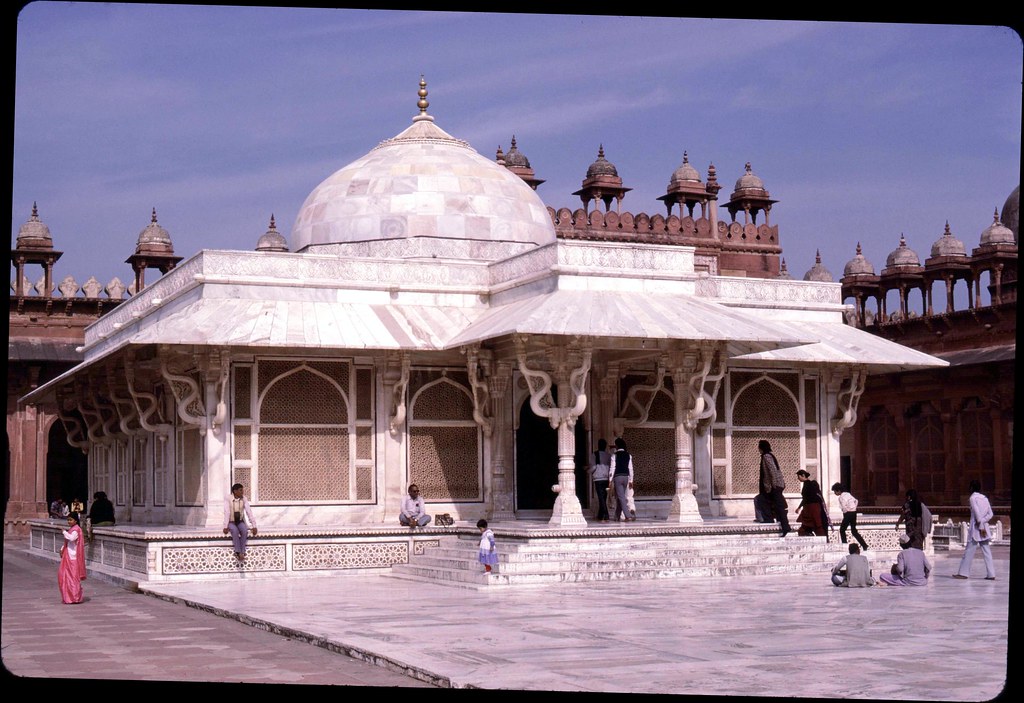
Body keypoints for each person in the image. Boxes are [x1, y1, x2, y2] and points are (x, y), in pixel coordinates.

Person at [953, 480, 996, 580]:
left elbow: (977, 514)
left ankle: (963, 573)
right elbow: (991, 514)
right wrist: (983, 521)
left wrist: (980, 522)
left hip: (976, 529)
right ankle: (991, 574)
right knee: (987, 551)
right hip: (984, 529)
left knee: (969, 551)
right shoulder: (984, 498)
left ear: (971, 488)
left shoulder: (973, 498)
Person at [758, 440, 791, 537]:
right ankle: (778, 521)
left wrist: (773, 485)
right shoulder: (770, 456)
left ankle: (784, 526)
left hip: (774, 486)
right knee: (776, 505)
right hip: (776, 485)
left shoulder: (766, 456)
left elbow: (772, 470)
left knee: (777, 506)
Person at [223, 483, 258, 561]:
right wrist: (225, 526)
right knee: (235, 531)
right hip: (231, 522)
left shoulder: (244, 499)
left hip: (240, 521)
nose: (242, 492)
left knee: (244, 531)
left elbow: (249, 512)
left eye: (242, 490)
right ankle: (238, 552)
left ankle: (242, 552)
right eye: (240, 490)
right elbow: (227, 512)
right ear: (235, 491)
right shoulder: (228, 498)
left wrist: (254, 526)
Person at [58, 513, 87, 604]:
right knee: (65, 577)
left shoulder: (76, 530)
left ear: (75, 520)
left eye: (70, 520)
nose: (69, 522)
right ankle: (68, 597)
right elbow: (67, 543)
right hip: (68, 556)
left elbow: (71, 539)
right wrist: (62, 549)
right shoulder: (71, 529)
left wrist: (64, 532)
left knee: (73, 578)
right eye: (68, 520)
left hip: (73, 557)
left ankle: (75, 597)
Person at [832, 483, 869, 551]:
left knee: (842, 529)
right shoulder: (848, 494)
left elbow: (844, 506)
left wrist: (846, 511)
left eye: (835, 491)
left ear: (839, 490)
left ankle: (844, 545)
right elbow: (856, 500)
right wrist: (853, 508)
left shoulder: (841, 497)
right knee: (854, 531)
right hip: (853, 513)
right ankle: (864, 545)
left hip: (848, 514)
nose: (835, 493)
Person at [610, 437, 635, 522]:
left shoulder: (615, 455)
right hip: (626, 477)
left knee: (621, 497)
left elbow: (612, 468)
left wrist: (609, 480)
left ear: (617, 446)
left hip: (618, 477)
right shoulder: (628, 455)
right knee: (620, 497)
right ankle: (617, 516)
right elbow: (630, 468)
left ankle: (628, 515)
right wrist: (631, 480)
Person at [590, 438, 611, 522]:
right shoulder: (608, 455)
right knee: (604, 497)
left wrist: (588, 471)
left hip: (598, 478)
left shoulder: (594, 454)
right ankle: (600, 515)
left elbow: (593, 467)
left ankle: (606, 514)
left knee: (600, 497)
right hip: (606, 479)